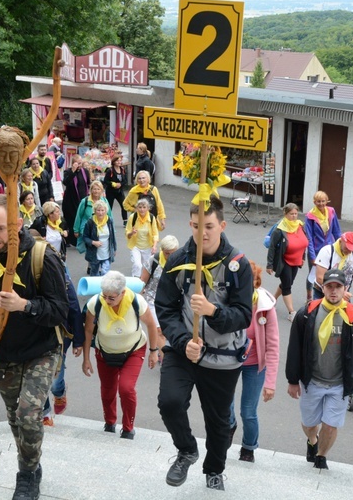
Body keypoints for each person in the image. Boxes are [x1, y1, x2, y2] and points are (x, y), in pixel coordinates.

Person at [0, 194, 69, 500]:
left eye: (1, 229)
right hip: (2, 356)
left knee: (28, 414)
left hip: (42, 350)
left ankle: (25, 476)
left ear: (18, 224)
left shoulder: (42, 257)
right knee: (15, 419)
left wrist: (24, 305)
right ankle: (33, 464)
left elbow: (60, 310)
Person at [156, 195, 253, 491]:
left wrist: (213, 312)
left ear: (222, 225)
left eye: (209, 226)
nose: (203, 233)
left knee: (219, 422)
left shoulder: (238, 264)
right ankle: (186, 450)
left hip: (223, 358)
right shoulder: (178, 260)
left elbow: (244, 315)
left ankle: (214, 468)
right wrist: (183, 341)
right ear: (190, 224)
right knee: (169, 402)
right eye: (197, 226)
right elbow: (165, 308)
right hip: (185, 351)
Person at [286, 269, 353, 470]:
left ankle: (321, 456)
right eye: (329, 286)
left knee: (331, 425)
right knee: (309, 424)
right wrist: (292, 380)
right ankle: (313, 441)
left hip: (338, 385)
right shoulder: (307, 314)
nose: (333, 291)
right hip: (312, 380)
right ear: (322, 288)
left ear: (345, 289)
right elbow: (295, 348)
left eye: (338, 287)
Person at [82, 271, 159, 439]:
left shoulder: (137, 302)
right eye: (105, 296)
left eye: (112, 298)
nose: (107, 301)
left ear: (123, 293)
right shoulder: (96, 303)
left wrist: (154, 352)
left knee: (126, 388)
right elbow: (88, 331)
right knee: (108, 391)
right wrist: (86, 359)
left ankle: (128, 427)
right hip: (105, 352)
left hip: (133, 350)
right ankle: (109, 422)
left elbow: (152, 327)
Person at [229, 261, 280, 463]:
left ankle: (248, 448)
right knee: (224, 408)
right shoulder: (227, 300)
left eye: (247, 279)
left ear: (255, 282)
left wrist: (270, 383)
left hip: (254, 364)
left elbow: (273, 346)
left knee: (248, 412)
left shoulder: (265, 306)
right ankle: (229, 426)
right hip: (229, 362)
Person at [139, 235, 180, 361]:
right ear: (162, 251)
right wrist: (138, 301)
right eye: (167, 254)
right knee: (159, 331)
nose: (170, 257)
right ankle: (167, 362)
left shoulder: (181, 261)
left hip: (172, 301)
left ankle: (165, 352)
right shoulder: (154, 260)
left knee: (169, 332)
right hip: (152, 300)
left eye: (173, 253)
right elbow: (142, 282)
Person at [266, 203, 309, 321]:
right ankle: (292, 312)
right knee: (287, 286)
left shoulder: (300, 226)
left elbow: (304, 243)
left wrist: (303, 257)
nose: (294, 216)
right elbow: (272, 247)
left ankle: (272, 300)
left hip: (296, 261)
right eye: (291, 214)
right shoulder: (279, 229)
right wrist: (269, 264)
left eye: (296, 213)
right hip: (283, 261)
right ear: (285, 214)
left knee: (288, 283)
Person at [311, 232, 353, 305]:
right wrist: (339, 292)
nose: (350, 251)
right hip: (323, 292)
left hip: (343, 293)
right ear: (341, 241)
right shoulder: (327, 251)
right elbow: (320, 277)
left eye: (352, 248)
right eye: (348, 248)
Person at [304, 191, 342, 301]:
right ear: (314, 202)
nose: (321, 204)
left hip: (329, 249)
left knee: (329, 274)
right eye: (318, 202)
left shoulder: (331, 211)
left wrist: (340, 247)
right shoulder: (310, 216)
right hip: (316, 251)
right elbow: (309, 238)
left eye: (323, 201)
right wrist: (312, 256)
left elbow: (336, 231)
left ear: (327, 201)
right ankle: (309, 295)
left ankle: (325, 296)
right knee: (313, 275)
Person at [82, 200, 117, 276]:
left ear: (105, 211)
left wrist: (114, 248)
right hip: (95, 254)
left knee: (105, 273)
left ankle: (104, 287)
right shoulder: (90, 222)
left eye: (102, 210)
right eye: (98, 210)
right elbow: (85, 237)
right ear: (94, 211)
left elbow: (112, 236)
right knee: (94, 274)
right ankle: (95, 287)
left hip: (107, 253)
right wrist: (93, 242)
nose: (100, 213)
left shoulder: (109, 220)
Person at [62, 155, 91, 246]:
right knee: (71, 219)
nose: (80, 165)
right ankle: (69, 240)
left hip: (82, 199)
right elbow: (66, 182)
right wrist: (73, 172)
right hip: (70, 200)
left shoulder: (85, 171)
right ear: (73, 163)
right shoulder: (68, 171)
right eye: (78, 163)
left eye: (80, 163)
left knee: (83, 219)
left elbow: (88, 184)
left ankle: (81, 238)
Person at [73, 180, 109, 253]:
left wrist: (112, 229)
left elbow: (109, 215)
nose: (96, 191)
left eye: (98, 189)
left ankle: (93, 263)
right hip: (86, 229)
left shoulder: (104, 201)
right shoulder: (85, 201)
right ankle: (91, 263)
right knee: (91, 250)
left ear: (101, 190)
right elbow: (79, 216)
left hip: (100, 228)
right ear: (91, 190)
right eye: (94, 189)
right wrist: (76, 230)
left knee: (99, 250)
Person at [125, 199, 158, 278]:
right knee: (137, 265)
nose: (142, 209)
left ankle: (143, 283)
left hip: (147, 247)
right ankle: (135, 281)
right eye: (140, 207)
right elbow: (127, 234)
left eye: (144, 207)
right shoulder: (133, 218)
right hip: (135, 246)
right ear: (137, 208)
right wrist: (131, 233)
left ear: (148, 208)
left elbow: (155, 233)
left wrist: (154, 246)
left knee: (145, 267)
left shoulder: (151, 218)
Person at [103, 152, 128, 225]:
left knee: (124, 205)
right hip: (110, 191)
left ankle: (125, 220)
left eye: (120, 160)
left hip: (119, 191)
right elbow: (105, 181)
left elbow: (125, 180)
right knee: (109, 206)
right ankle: (107, 220)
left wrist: (120, 184)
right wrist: (112, 184)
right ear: (113, 162)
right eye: (117, 160)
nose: (119, 162)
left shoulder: (122, 169)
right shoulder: (110, 170)